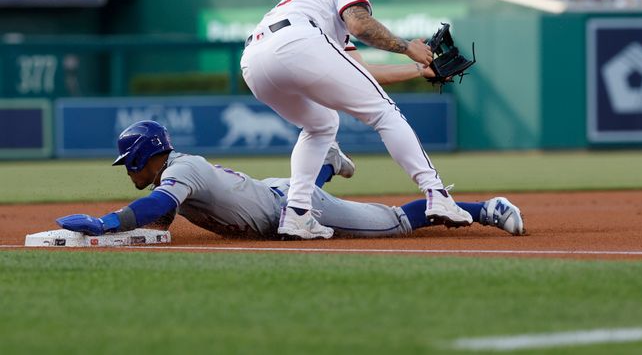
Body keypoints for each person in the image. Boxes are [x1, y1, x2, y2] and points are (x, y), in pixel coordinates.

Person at [239, 0, 474, 240]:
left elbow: (357, 71)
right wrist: (407, 46)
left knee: (322, 124)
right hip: (297, 42)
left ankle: (296, 214)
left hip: (254, 61)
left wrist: (418, 69)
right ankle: (437, 194)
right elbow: (360, 24)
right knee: (384, 112)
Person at [55, 121, 524, 239]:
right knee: (305, 187)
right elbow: (164, 213)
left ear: (142, 157)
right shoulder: (181, 169)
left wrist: (109, 224)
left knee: (396, 222)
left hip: (296, 209)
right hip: (278, 193)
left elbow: (159, 208)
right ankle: (326, 161)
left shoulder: (179, 171)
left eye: (128, 163)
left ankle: (487, 209)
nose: (128, 171)